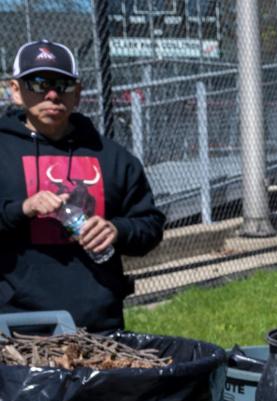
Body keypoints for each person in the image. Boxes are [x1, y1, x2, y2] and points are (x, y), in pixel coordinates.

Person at [1, 39, 164, 332]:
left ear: (77, 93)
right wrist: (21, 209)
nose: (52, 94)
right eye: (38, 83)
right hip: (15, 329)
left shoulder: (112, 157)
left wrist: (118, 230)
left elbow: (150, 226)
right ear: (15, 91)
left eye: (62, 85)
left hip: (98, 327)